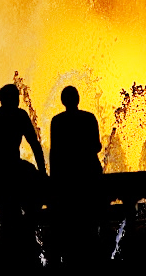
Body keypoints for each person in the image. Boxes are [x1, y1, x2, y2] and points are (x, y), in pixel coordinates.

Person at [0, 83, 46, 259]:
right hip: (11, 171)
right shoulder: (19, 115)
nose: (17, 100)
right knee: (22, 207)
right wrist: (43, 172)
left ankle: (13, 249)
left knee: (9, 214)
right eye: (16, 97)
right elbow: (34, 144)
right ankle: (25, 243)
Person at [49, 86, 103, 270]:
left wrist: (53, 178)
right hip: (88, 175)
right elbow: (96, 147)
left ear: (63, 101)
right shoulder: (89, 118)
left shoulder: (57, 122)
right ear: (78, 99)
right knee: (89, 224)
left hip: (66, 179)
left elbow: (54, 153)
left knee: (70, 227)